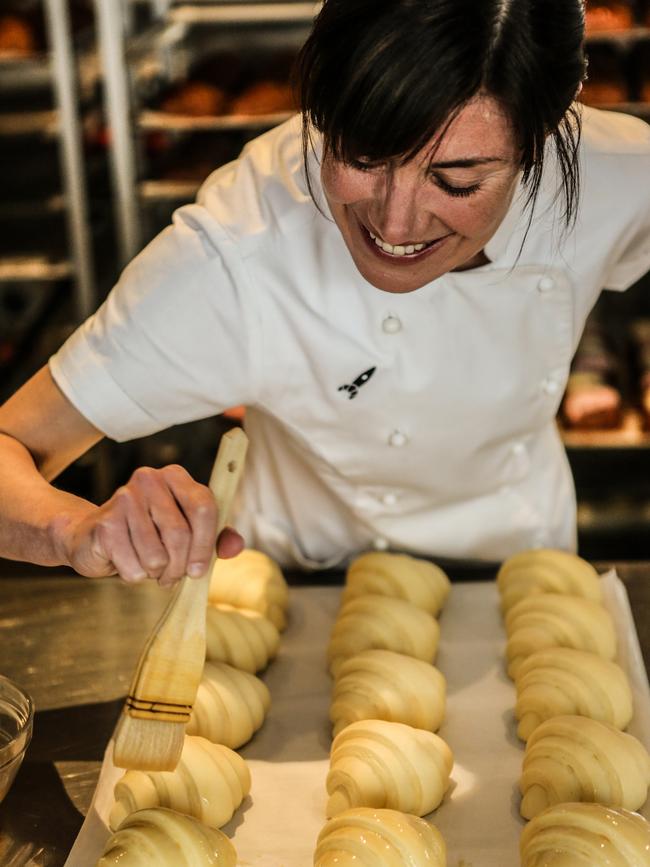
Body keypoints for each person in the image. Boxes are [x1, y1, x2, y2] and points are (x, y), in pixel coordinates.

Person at [1, 0, 649, 586]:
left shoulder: (612, 177)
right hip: (294, 588)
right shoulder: (240, 246)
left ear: (541, 141)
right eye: (363, 155)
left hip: (526, 575)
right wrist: (76, 530)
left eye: (455, 181)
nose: (396, 225)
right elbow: (12, 445)